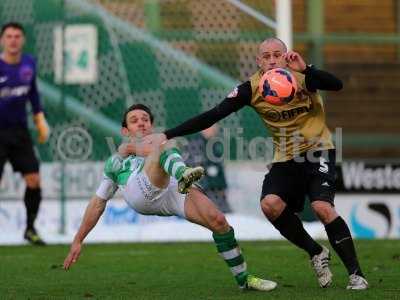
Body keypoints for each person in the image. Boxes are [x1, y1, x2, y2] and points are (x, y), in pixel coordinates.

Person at [142, 38, 368, 290]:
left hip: (318, 151)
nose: (272, 60)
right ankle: (316, 252)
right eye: (266, 56)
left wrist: (306, 69)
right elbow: (214, 114)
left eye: (277, 55)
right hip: (285, 157)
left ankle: (356, 275)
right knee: (270, 205)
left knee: (322, 207)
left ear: (286, 56)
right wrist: (167, 134)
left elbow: (337, 85)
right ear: (258, 61)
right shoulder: (252, 88)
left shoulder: (304, 77)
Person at [63, 104, 277, 292]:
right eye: (135, 121)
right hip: (141, 193)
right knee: (164, 146)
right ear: (125, 130)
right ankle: (183, 173)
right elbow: (98, 202)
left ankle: (243, 279)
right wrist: (78, 239)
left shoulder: (145, 145)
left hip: (172, 188)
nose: (141, 123)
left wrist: (130, 147)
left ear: (151, 125)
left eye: (146, 120)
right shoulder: (115, 162)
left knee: (219, 222)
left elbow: (151, 148)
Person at [0, 22, 50, 245]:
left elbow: (33, 93)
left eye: (17, 36)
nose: (13, 40)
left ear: (23, 40)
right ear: (2, 40)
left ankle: (30, 229)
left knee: (34, 179)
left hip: (19, 132)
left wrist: (39, 118)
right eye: (9, 36)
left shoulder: (29, 63)